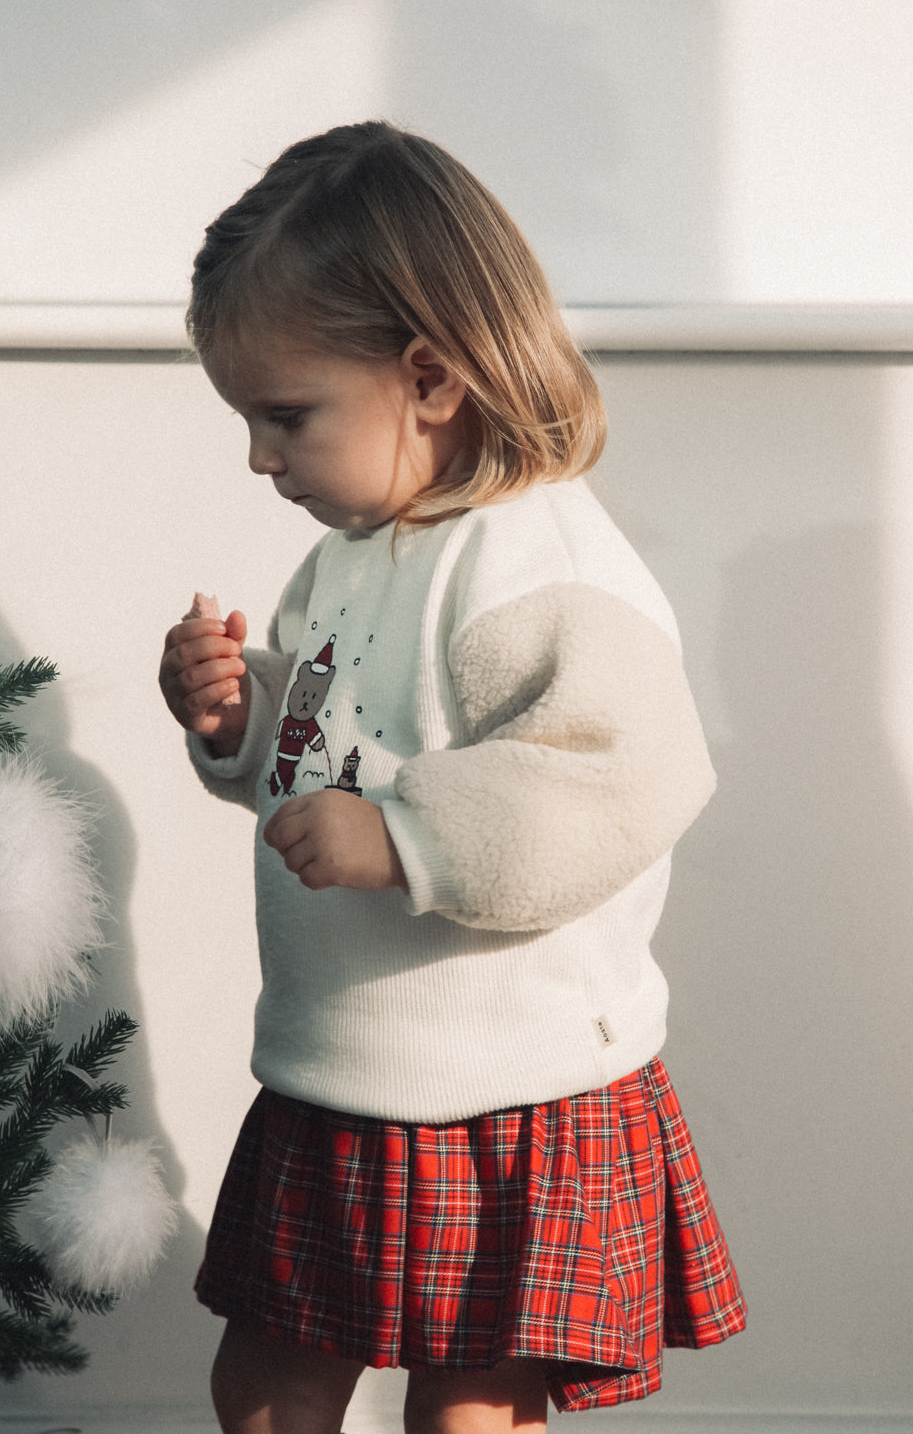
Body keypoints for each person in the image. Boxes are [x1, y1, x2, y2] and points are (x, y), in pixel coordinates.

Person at [158, 122, 745, 1434]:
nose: (260, 458)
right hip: (343, 1060)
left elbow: (622, 774)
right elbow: (332, 752)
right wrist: (241, 716)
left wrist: (406, 837)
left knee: (471, 1407)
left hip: (501, 1079)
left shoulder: (536, 563)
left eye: (286, 415)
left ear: (429, 378)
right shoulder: (350, 556)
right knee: (264, 1388)